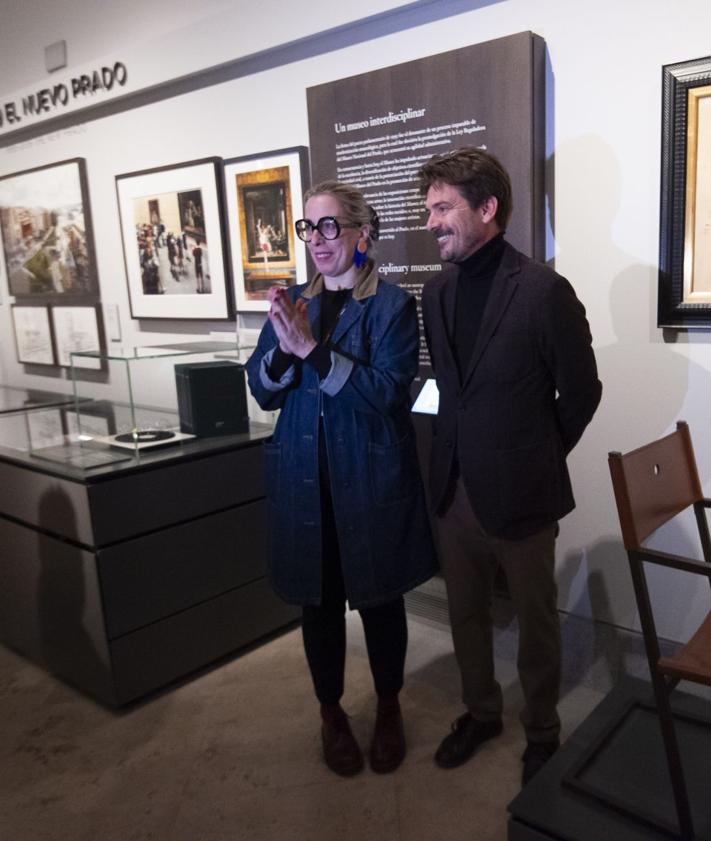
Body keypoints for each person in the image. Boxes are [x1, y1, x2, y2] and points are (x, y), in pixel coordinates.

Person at [416, 148, 602, 786]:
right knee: (464, 613)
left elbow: (582, 391)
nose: (431, 219)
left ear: (486, 207)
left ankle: (543, 731)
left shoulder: (544, 291)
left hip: (524, 492)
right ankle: (481, 711)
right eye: (429, 207)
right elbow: (450, 386)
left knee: (537, 619)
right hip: (454, 490)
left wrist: (539, 456)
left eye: (443, 207)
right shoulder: (434, 292)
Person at [246, 180, 437, 777]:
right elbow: (261, 387)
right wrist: (283, 351)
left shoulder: (391, 306)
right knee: (319, 604)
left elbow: (386, 396)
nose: (317, 240)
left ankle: (387, 707)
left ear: (361, 232)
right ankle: (330, 714)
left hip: (369, 479)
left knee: (381, 602)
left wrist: (313, 352)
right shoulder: (293, 301)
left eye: (330, 225)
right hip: (306, 483)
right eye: (308, 227)